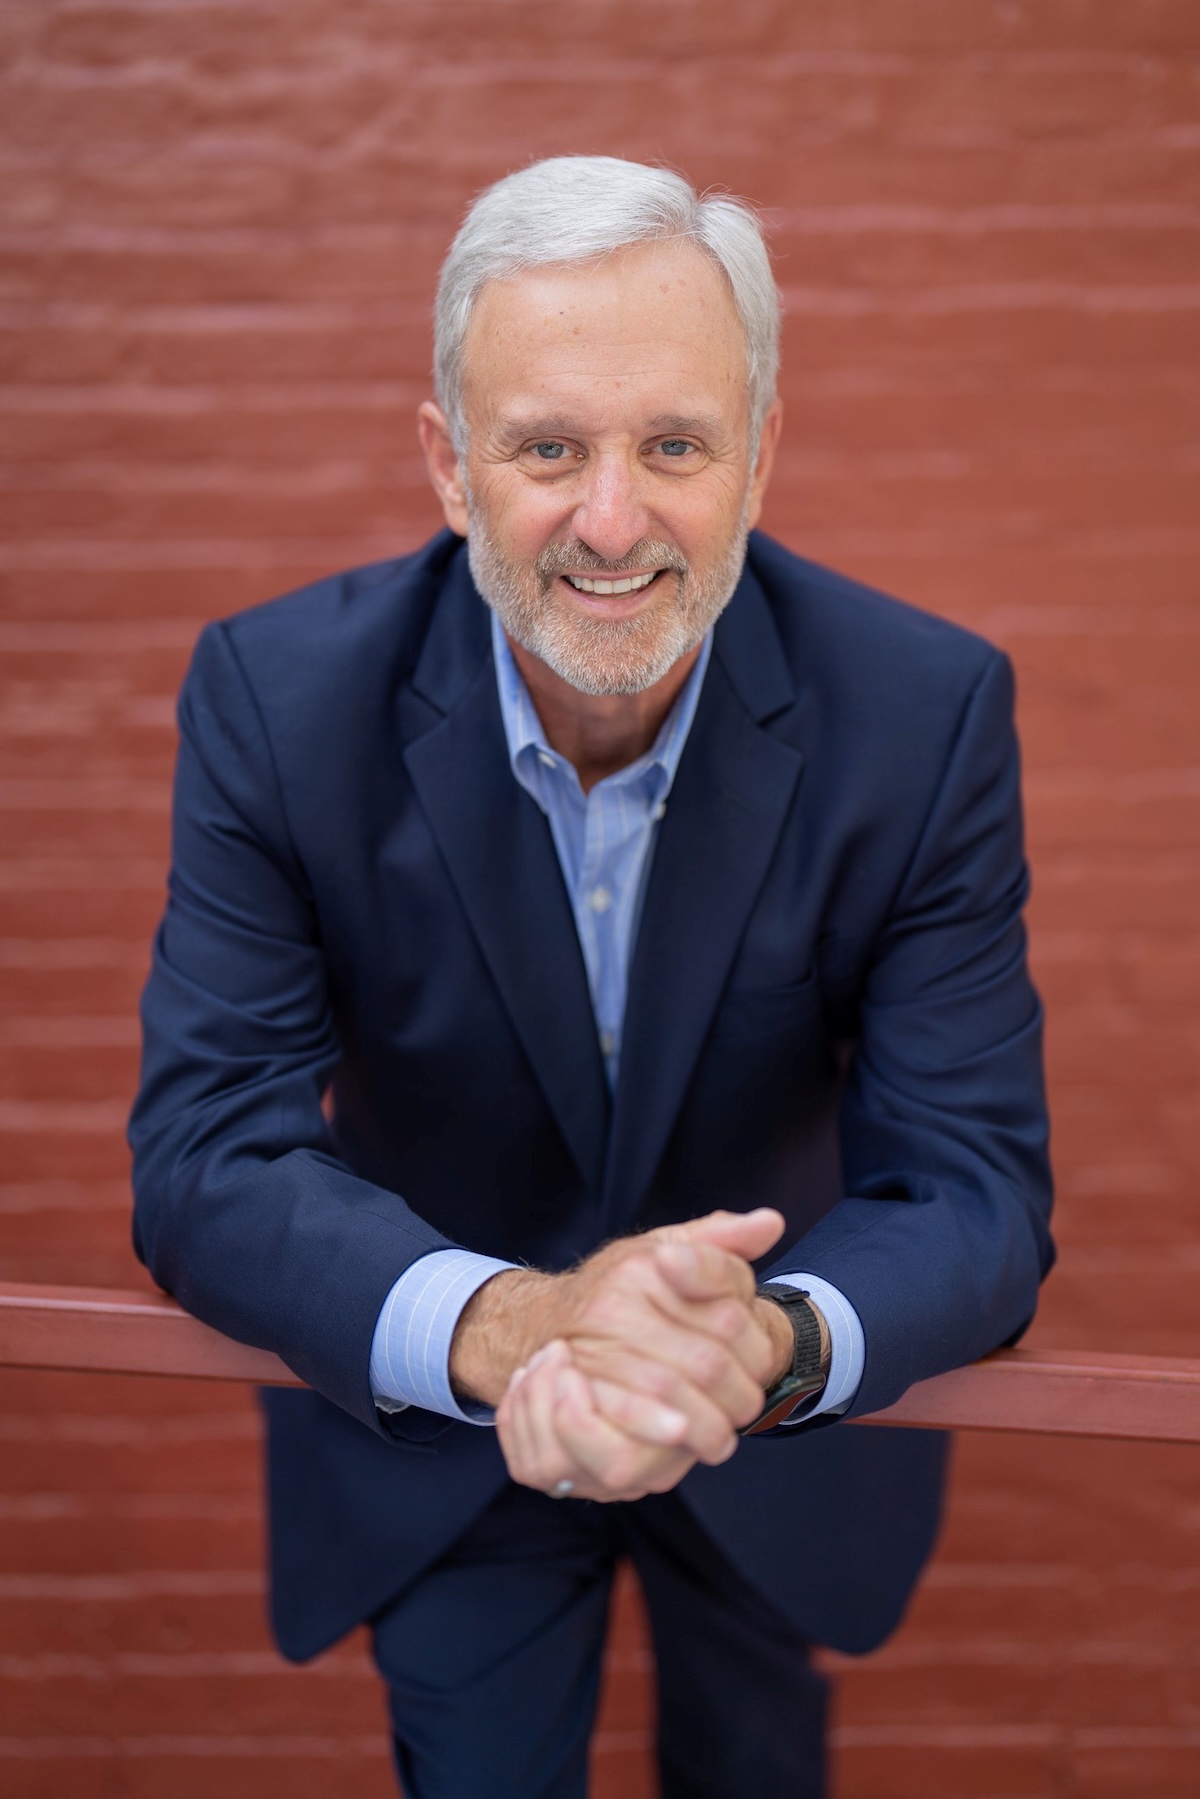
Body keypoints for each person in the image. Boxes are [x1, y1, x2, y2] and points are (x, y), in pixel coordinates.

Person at [128, 156, 1054, 1798]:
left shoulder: (923, 718)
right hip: (444, 1437)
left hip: (771, 1436)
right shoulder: (277, 703)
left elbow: (975, 1189)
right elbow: (210, 1155)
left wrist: (753, 1350)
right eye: (547, 447)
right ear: (449, 465)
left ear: (758, 458)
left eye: (674, 446)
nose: (612, 521)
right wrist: (516, 1323)